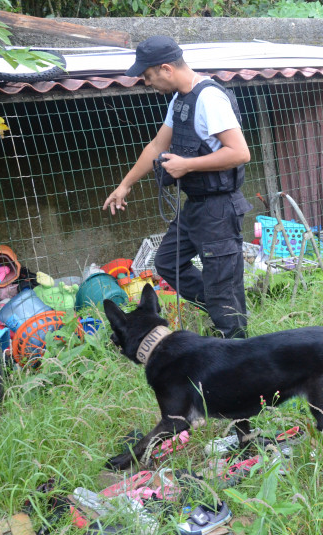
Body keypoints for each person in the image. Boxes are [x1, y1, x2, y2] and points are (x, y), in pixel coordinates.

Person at [103, 36, 252, 339]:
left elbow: (240, 153)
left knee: (221, 284)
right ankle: (223, 310)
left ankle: (233, 338)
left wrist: (187, 165)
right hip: (196, 205)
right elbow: (157, 145)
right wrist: (125, 185)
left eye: (148, 75)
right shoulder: (181, 100)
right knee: (167, 261)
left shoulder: (209, 99)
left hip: (219, 207)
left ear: (166, 69)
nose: (147, 82)